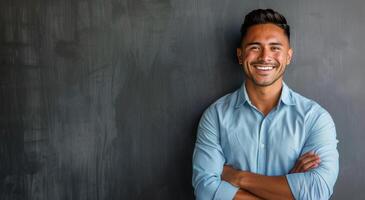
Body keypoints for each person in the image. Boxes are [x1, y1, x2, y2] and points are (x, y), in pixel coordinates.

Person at [192, 9, 339, 200]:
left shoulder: (315, 118)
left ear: (288, 56)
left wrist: (238, 177)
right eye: (254, 47)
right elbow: (205, 191)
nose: (264, 56)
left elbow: (316, 191)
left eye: (275, 47)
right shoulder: (216, 116)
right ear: (240, 55)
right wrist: (287, 190)